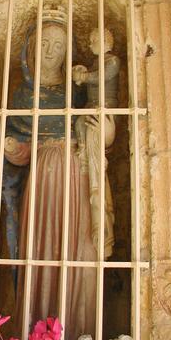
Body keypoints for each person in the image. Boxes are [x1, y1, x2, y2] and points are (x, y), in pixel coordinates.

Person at [2, 5, 101, 340]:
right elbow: (23, 150)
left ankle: (73, 336)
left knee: (74, 248)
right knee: (40, 249)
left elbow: (99, 129)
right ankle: (35, 338)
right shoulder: (21, 95)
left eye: (58, 46)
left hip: (75, 173)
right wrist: (14, 150)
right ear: (32, 46)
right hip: (42, 177)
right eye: (44, 42)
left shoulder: (77, 91)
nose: (50, 51)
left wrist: (97, 128)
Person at [72, 28, 119, 257]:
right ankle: (82, 149)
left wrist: (85, 76)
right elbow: (88, 79)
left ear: (105, 41)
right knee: (80, 124)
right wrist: (81, 74)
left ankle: (103, 230)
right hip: (89, 110)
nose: (90, 44)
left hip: (104, 110)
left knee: (97, 171)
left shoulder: (112, 61)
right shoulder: (95, 64)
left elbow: (101, 78)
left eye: (93, 41)